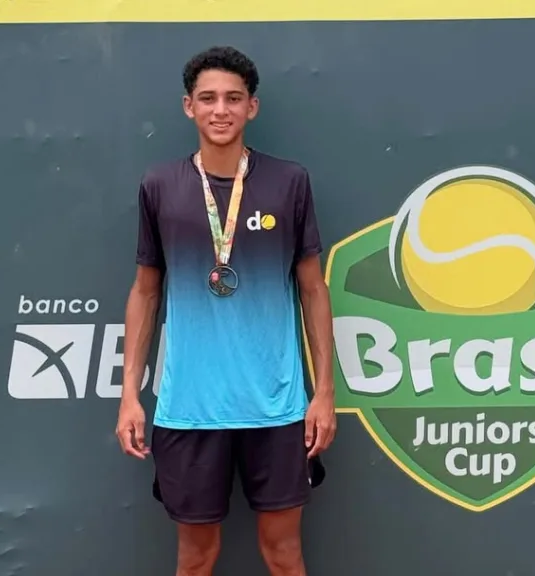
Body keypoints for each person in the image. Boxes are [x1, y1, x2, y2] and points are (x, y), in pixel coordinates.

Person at [115, 45, 336, 576]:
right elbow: (146, 291)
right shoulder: (160, 186)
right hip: (189, 409)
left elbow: (312, 289)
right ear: (188, 106)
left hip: (278, 408)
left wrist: (323, 392)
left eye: (234, 99)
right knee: (195, 559)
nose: (221, 110)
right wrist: (129, 395)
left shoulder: (289, 182)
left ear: (251, 108)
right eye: (208, 98)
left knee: (284, 555)